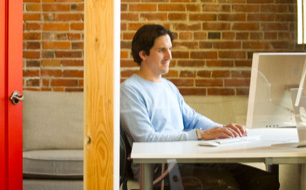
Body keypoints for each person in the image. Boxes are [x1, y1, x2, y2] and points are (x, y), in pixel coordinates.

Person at [120, 24, 280, 190]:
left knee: (263, 181)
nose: (169, 56)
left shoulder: (168, 86)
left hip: (185, 158)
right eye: (162, 50)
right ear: (143, 54)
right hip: (158, 170)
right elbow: (147, 139)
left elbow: (192, 119)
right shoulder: (130, 91)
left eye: (170, 49)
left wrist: (223, 130)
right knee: (226, 185)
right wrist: (200, 135)